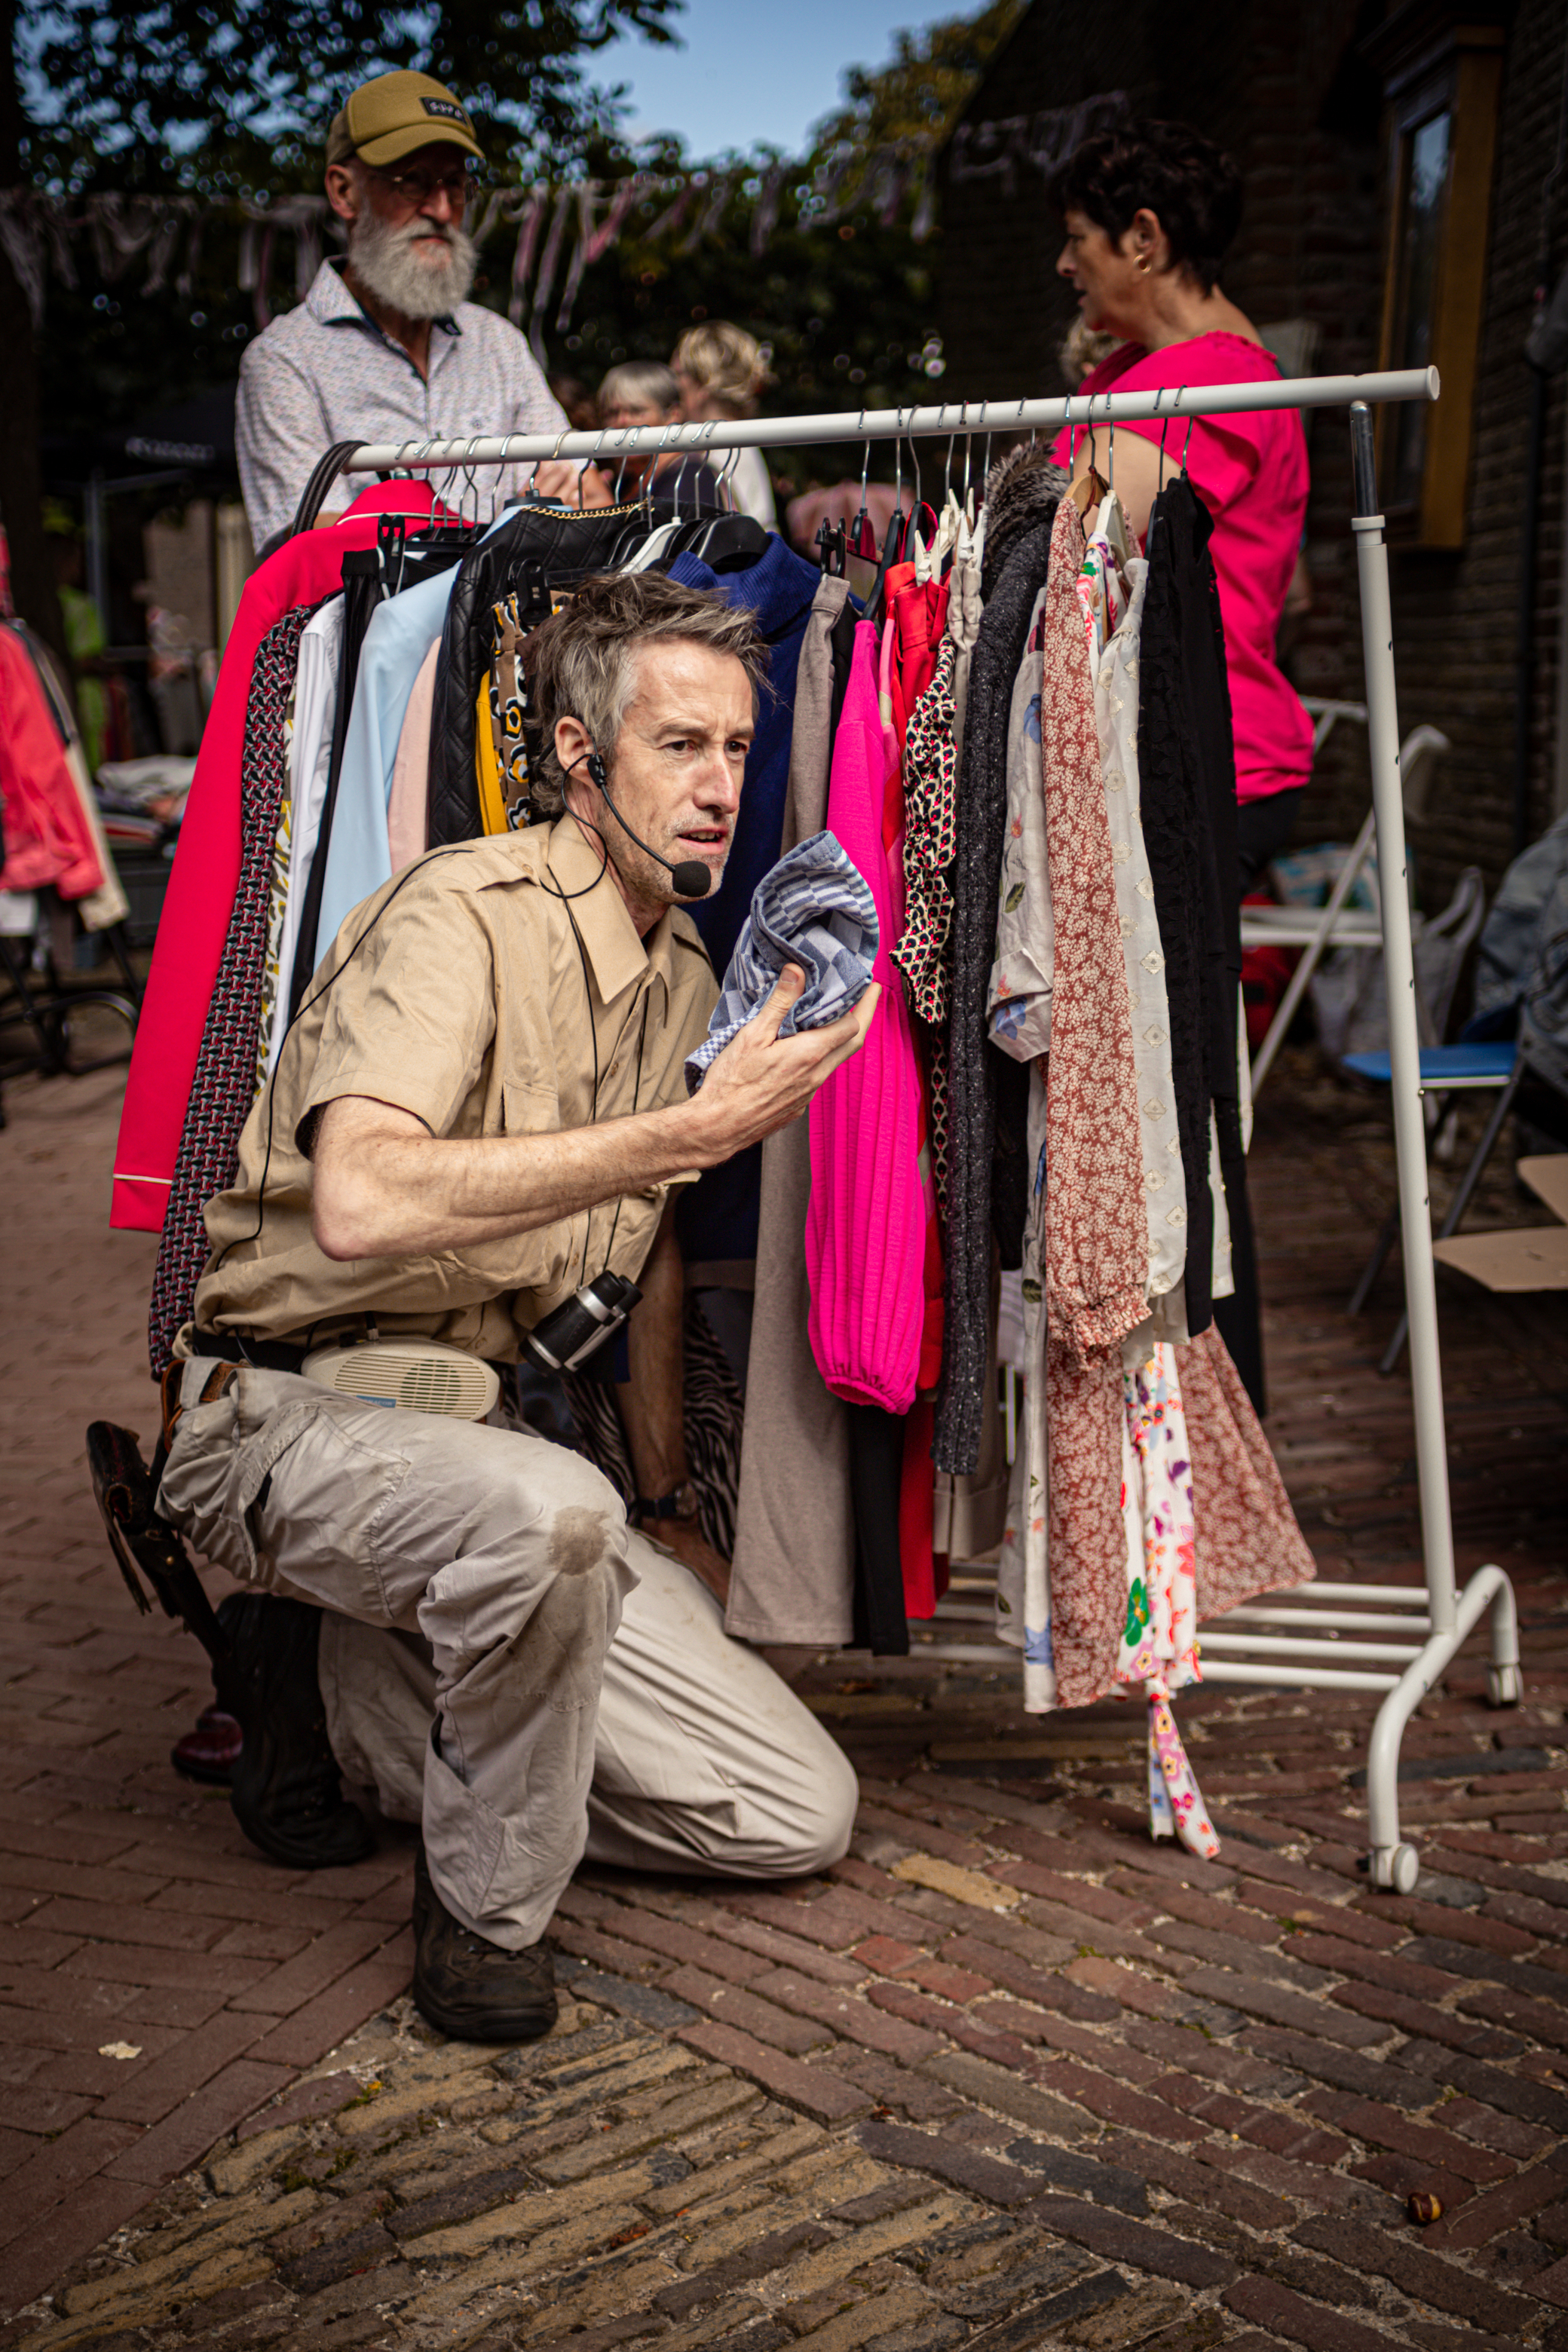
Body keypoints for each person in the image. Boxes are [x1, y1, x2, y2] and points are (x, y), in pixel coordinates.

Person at [153, 571, 877, 2044]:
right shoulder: (455, 914)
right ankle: (482, 1909)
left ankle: (346, 1700)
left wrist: (667, 1489)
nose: (720, 785)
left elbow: (644, 1250)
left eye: (738, 750)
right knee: (549, 1521)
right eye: (679, 745)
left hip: (486, 1443)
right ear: (573, 756)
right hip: (283, 1411)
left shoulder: (681, 970)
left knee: (790, 1811)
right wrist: (674, 1137)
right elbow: (358, 1201)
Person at [1046, 117, 1312, 896]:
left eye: (1075, 239)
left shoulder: (1217, 380)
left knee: (1151, 1019)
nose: (1064, 265)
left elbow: (1063, 531)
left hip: (1203, 763)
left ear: (1143, 237)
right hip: (1157, 751)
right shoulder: (1147, 366)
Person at [234, 69, 607, 556]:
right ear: (345, 192)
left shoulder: (497, 342)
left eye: (455, 184)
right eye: (413, 182)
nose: (442, 209)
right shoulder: (285, 360)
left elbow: (591, 497)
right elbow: (318, 551)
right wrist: (520, 522)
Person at [672, 323, 777, 529]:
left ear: (702, 382)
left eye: (677, 375)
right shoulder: (740, 445)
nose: (673, 385)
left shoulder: (719, 453)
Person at [598, 361, 723, 513]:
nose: (621, 421)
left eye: (636, 411)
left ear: (673, 414)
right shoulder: (622, 483)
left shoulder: (692, 479)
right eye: (612, 413)